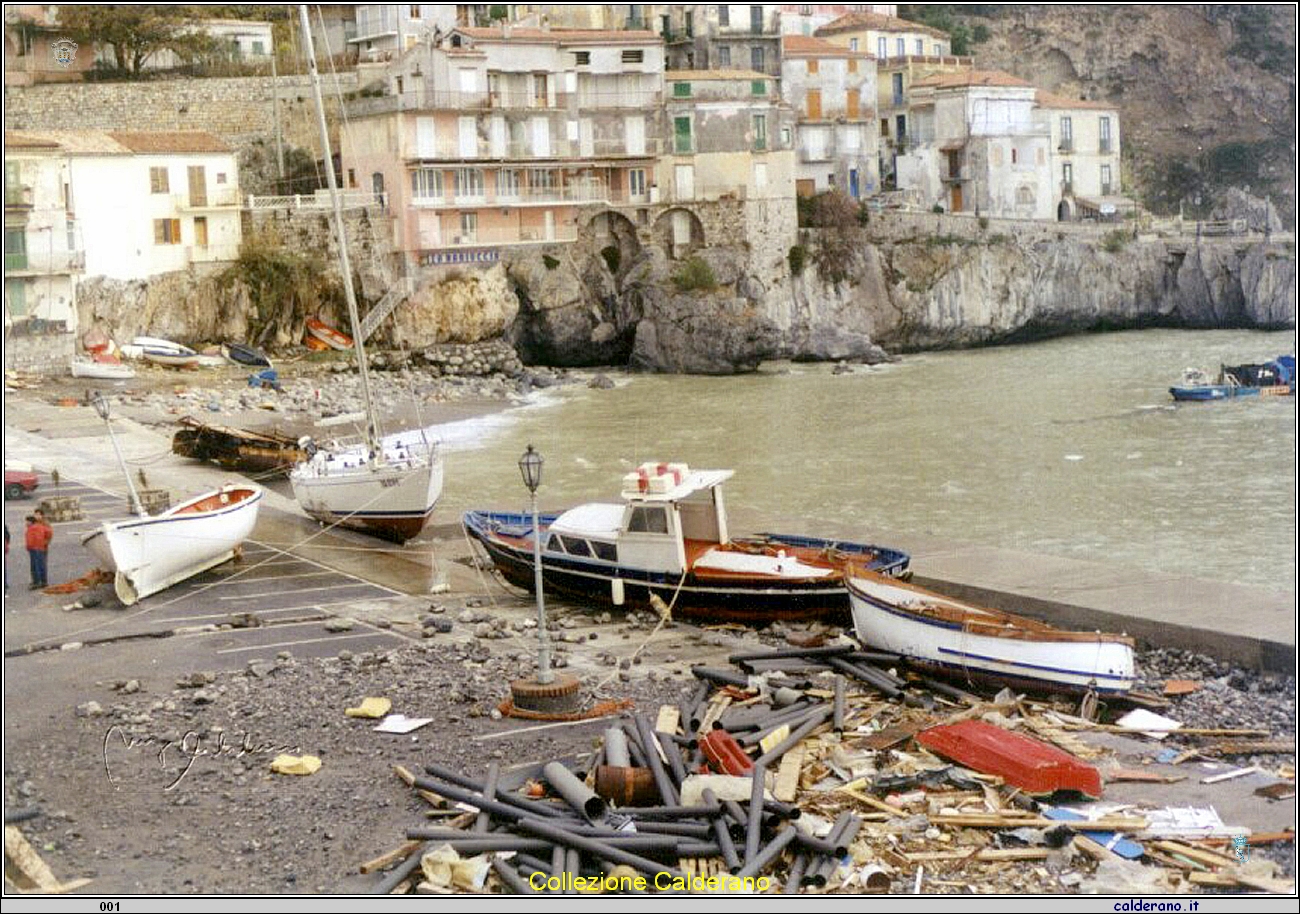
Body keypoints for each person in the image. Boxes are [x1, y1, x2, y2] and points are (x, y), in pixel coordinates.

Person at [25, 513, 52, 590]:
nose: (26, 523)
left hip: (34, 548)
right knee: (41, 565)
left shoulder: (31, 528)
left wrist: (28, 547)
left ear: (31, 522)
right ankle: (44, 581)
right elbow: (49, 533)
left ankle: (36, 582)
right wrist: (45, 542)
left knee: (35, 566)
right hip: (40, 548)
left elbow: (29, 540)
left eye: (27, 521)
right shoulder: (41, 526)